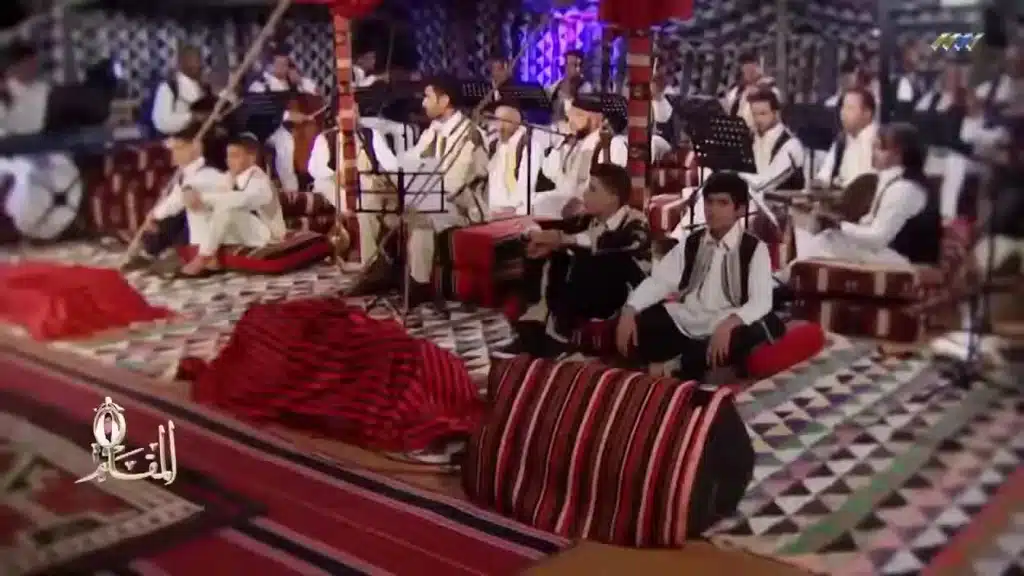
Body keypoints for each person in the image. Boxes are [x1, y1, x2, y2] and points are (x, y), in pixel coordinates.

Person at [615, 171, 783, 382]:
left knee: (759, 329)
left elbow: (761, 301)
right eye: (709, 202)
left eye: (722, 203)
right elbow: (661, 281)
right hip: (688, 318)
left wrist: (729, 323)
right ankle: (698, 364)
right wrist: (631, 309)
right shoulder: (692, 242)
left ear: (740, 209)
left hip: (725, 322)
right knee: (643, 320)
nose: (712, 210)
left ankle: (678, 366)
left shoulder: (755, 249)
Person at [516, 163, 651, 356]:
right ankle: (542, 316)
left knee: (594, 257)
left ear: (612, 198)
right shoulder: (587, 220)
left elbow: (607, 242)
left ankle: (558, 330)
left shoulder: (636, 222)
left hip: (624, 295)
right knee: (557, 252)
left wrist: (563, 240)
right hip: (587, 292)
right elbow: (562, 232)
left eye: (593, 189)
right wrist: (538, 238)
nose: (585, 194)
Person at [783, 123, 942, 278]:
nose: (873, 152)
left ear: (899, 154)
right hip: (887, 251)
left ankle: (788, 279)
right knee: (821, 235)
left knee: (827, 241)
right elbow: (870, 225)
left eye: (880, 148)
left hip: (903, 260)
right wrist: (835, 223)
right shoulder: (893, 180)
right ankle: (788, 278)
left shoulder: (904, 188)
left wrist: (839, 226)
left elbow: (878, 238)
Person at [385, 74, 488, 303]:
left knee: (421, 214)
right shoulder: (433, 130)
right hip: (431, 197)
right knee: (383, 204)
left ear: (444, 100)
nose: (423, 103)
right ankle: (383, 271)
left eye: (428, 97)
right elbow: (412, 159)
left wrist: (417, 195)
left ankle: (419, 284)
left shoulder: (468, 134)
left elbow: (453, 183)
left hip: (463, 207)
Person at [176, 133, 286, 277]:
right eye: (228, 156)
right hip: (244, 230)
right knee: (196, 206)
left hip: (267, 234)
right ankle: (210, 261)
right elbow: (204, 185)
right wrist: (189, 189)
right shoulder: (231, 176)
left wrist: (203, 199)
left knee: (226, 208)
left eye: (235, 156)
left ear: (251, 157)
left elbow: (240, 200)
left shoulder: (259, 180)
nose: (230, 161)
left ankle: (204, 257)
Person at [128, 124, 229, 274]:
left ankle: (195, 259)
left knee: (185, 206)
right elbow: (173, 199)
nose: (174, 154)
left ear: (196, 147)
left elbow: (178, 200)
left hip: (218, 227)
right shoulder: (185, 173)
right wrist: (155, 215)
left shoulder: (208, 172)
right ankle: (151, 252)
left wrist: (156, 215)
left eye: (179, 148)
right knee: (167, 215)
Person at [307, 105, 399, 265]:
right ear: (337, 117)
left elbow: (391, 164)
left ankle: (373, 260)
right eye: (349, 112)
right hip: (336, 183)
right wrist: (337, 176)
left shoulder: (371, 135)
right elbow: (315, 168)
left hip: (366, 182)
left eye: (356, 111)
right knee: (323, 183)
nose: (354, 116)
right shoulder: (326, 138)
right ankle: (352, 209)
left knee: (376, 191)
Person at [535, 94, 628, 219]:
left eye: (578, 115)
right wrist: (562, 147)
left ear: (597, 119)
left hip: (586, 210)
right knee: (533, 202)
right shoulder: (577, 143)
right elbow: (554, 176)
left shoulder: (613, 145)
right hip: (565, 201)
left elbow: (605, 189)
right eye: (570, 115)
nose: (570, 121)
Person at [248, 48, 319, 192]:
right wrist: (287, 115)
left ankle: (309, 176)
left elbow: (316, 93)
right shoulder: (260, 85)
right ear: (270, 65)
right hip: (267, 127)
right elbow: (259, 110)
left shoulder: (291, 82)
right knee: (286, 142)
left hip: (290, 126)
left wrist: (300, 80)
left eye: (285, 64)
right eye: (279, 64)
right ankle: (290, 189)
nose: (283, 68)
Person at [486, 103, 544, 217]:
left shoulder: (529, 145)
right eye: (497, 121)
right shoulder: (494, 144)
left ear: (516, 123)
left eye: (505, 121)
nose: (500, 126)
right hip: (491, 212)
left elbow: (527, 184)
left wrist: (511, 208)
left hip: (515, 213)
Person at [817, 87, 877, 187]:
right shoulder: (842, 139)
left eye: (850, 108)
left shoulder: (877, 141)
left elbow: (863, 183)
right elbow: (824, 176)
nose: (843, 113)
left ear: (867, 114)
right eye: (843, 108)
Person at [151, 45, 210, 136]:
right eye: (193, 60)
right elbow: (162, 122)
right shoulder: (168, 88)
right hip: (179, 141)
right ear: (182, 63)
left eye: (200, 60)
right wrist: (193, 117)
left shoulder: (204, 88)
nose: (199, 65)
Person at [723, 52, 779, 131]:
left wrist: (760, 91)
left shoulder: (770, 88)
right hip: (738, 131)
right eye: (745, 69)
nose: (749, 72)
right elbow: (727, 109)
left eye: (752, 69)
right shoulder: (736, 91)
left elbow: (775, 108)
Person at [3, 41, 48, 135]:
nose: (34, 68)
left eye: (35, 63)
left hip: (44, 137)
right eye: (28, 64)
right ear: (14, 65)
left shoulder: (44, 88)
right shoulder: (5, 90)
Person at [547, 50, 592, 123]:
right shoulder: (556, 86)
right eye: (574, 65)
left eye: (579, 65)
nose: (578, 69)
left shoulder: (586, 87)